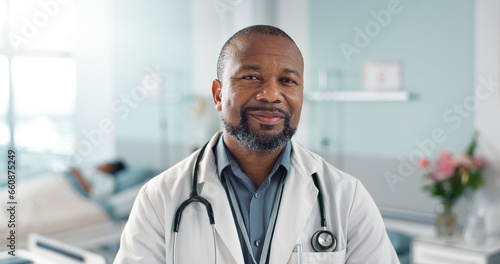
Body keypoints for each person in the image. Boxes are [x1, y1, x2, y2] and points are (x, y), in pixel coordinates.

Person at [114, 25, 399, 264]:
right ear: (217, 94)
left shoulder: (347, 199)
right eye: (251, 77)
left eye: (287, 80)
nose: (272, 94)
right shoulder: (159, 198)